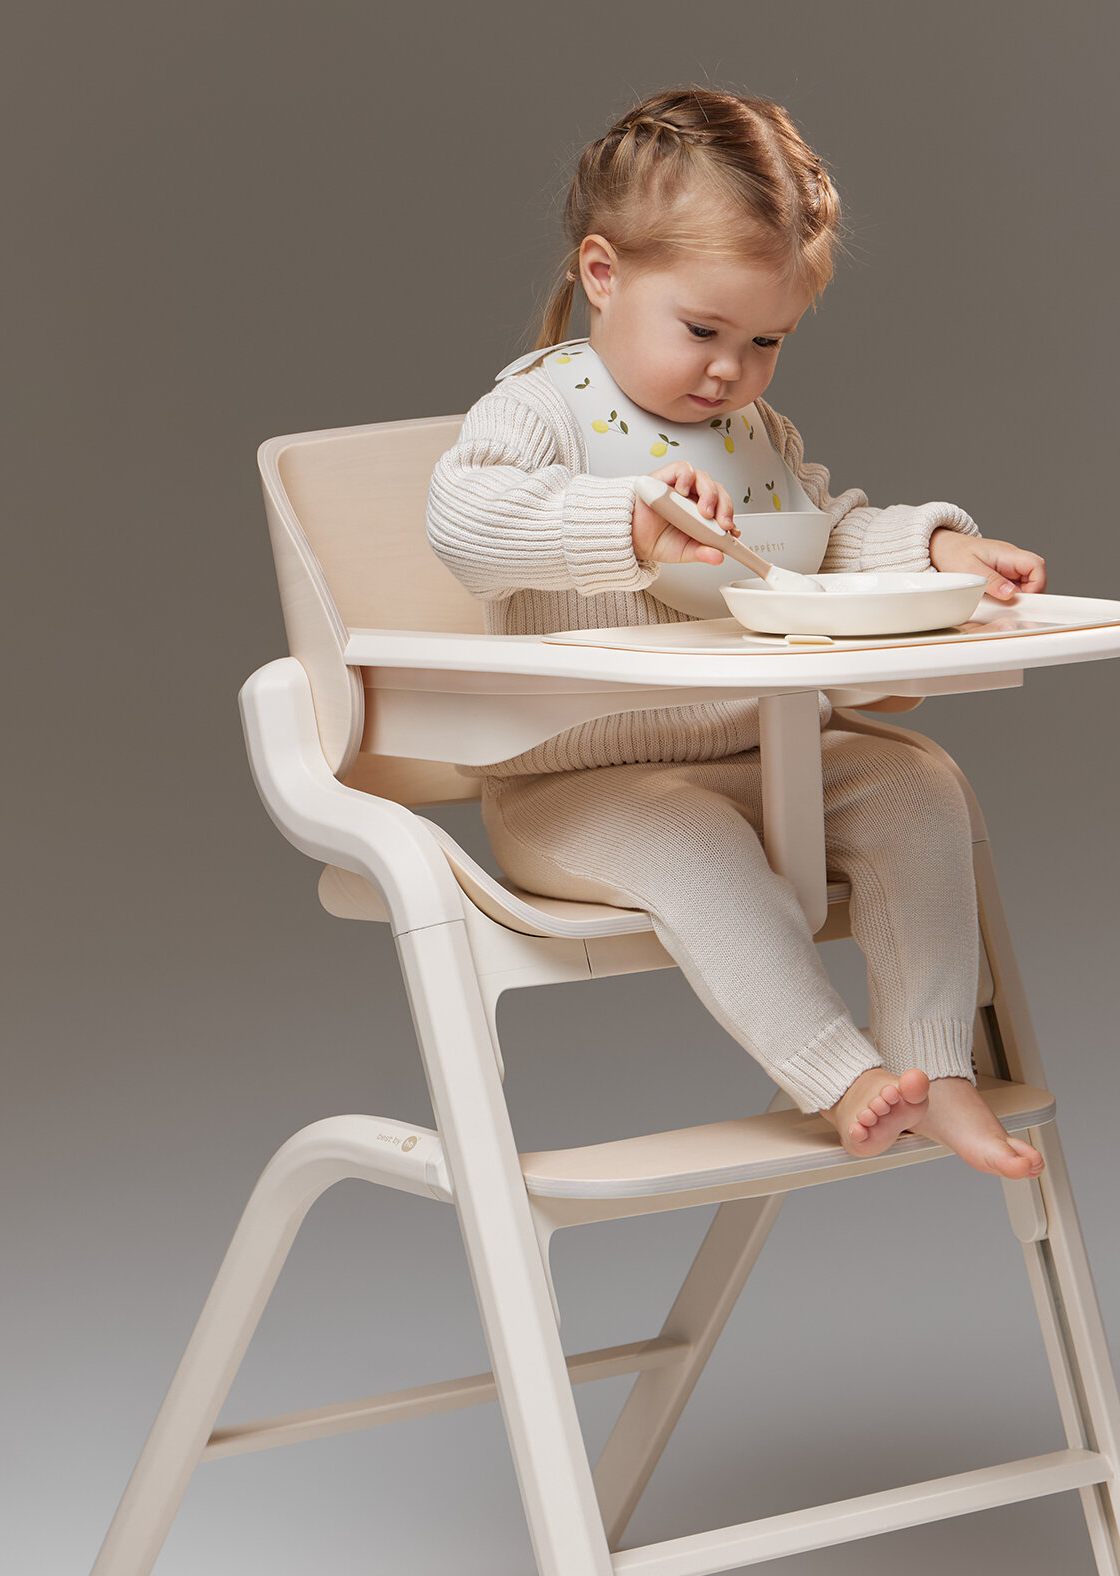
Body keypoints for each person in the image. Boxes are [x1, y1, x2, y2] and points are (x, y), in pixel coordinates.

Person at [427, 87, 1046, 1178]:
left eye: (766, 340)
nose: (730, 370)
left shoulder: (751, 433)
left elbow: (818, 538)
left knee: (918, 786)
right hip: (573, 785)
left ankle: (934, 1064)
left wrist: (938, 551)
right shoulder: (540, 408)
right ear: (603, 274)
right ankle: (842, 1077)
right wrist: (625, 525)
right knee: (696, 844)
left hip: (765, 756)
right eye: (703, 331)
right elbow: (467, 521)